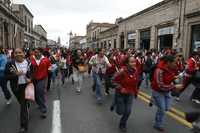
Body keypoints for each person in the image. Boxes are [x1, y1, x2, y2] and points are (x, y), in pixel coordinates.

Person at [151, 55, 183, 132]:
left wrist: (176, 77)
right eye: (174, 63)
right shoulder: (159, 70)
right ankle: (158, 124)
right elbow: (160, 85)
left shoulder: (170, 68)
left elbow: (169, 77)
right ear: (168, 62)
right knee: (162, 109)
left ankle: (154, 102)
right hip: (158, 91)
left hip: (166, 91)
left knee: (166, 108)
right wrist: (174, 87)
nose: (176, 64)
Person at [5, 48, 32, 133]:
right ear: (13, 55)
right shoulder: (10, 64)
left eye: (19, 52)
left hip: (26, 86)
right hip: (16, 88)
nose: (18, 54)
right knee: (22, 103)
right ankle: (27, 106)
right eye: (16, 53)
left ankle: (23, 126)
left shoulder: (28, 62)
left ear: (23, 53)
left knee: (23, 106)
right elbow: (6, 76)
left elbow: (32, 73)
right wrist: (15, 75)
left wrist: (30, 78)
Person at [112, 56, 139, 132]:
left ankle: (122, 124)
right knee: (120, 112)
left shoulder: (136, 71)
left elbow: (135, 83)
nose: (134, 63)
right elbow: (112, 80)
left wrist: (136, 92)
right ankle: (116, 102)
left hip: (130, 94)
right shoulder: (121, 71)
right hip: (120, 94)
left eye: (134, 61)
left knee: (128, 111)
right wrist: (121, 88)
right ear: (127, 63)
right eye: (131, 62)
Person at [30, 48, 51, 118]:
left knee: (39, 92)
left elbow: (49, 67)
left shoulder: (46, 60)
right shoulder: (31, 59)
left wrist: (51, 71)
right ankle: (40, 104)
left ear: (41, 53)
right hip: (33, 79)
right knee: (34, 95)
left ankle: (43, 110)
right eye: (35, 52)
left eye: (37, 52)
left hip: (42, 79)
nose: (36, 53)